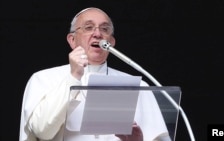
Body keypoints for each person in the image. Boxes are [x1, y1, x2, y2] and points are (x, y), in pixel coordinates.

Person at [19, 7, 171, 141]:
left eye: (105, 29)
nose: (97, 34)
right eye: (88, 27)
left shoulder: (137, 86)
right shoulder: (44, 79)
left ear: (111, 41)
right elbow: (41, 132)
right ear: (72, 40)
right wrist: (73, 77)